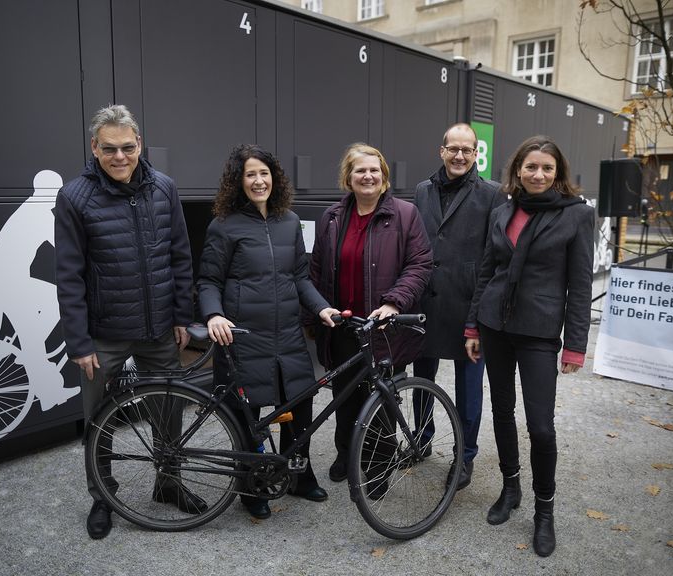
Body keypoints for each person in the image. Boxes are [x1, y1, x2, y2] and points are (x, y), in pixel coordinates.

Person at [55, 104, 203, 540]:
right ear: (94, 148)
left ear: (139, 143)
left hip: (159, 328)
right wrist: (79, 343)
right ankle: (102, 496)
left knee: (168, 411)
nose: (120, 157)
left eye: (127, 147)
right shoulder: (74, 197)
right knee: (100, 418)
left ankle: (168, 483)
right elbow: (68, 275)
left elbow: (180, 256)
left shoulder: (164, 187)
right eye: (109, 149)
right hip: (104, 335)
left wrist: (180, 316)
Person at [464, 135, 594, 557]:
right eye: (531, 167)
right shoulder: (503, 210)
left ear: (559, 174)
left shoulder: (576, 216)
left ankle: (544, 511)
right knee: (501, 411)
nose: (538, 174)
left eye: (547, 168)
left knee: (540, 425)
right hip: (494, 326)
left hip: (538, 332)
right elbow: (486, 271)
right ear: (517, 169)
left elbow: (580, 284)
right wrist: (473, 328)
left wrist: (574, 345)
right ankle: (510, 487)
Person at [197, 144, 340, 520]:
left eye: (264, 173)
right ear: (238, 181)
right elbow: (208, 280)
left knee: (299, 405)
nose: (259, 181)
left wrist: (321, 306)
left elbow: (298, 277)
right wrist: (213, 314)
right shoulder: (224, 225)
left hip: (288, 336)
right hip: (243, 336)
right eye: (250, 174)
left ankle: (299, 476)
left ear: (274, 178)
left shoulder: (289, 221)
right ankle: (253, 487)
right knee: (249, 417)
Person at [309, 142, 432, 485]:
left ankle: (378, 466)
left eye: (374, 170)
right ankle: (345, 454)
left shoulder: (406, 215)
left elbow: (420, 265)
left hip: (383, 327)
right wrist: (316, 314)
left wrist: (394, 302)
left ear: (384, 177)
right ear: (348, 178)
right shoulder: (332, 218)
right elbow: (316, 269)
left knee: (381, 400)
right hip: (344, 325)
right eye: (360, 170)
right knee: (345, 396)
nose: (368, 176)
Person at [411, 123, 505, 491]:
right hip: (427, 302)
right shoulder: (422, 190)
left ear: (476, 153)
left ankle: (464, 457)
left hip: (469, 306)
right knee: (421, 380)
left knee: (469, 390)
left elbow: (493, 259)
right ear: (442, 150)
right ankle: (421, 436)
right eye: (454, 149)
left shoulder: (493, 194)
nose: (460, 156)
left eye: (468, 150)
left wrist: (479, 319)